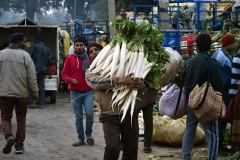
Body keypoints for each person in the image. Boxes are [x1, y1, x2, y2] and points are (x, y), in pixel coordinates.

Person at [86, 66, 157, 160]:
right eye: (91, 51)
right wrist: (119, 80)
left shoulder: (127, 64)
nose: (94, 52)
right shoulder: (91, 71)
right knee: (112, 147)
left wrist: (143, 86)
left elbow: (149, 84)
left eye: (96, 50)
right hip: (109, 115)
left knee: (131, 149)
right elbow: (95, 82)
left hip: (129, 113)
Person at [182, 34, 224, 160]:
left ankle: (185, 156)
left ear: (196, 46)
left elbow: (184, 81)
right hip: (206, 102)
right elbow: (219, 83)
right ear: (209, 46)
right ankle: (212, 158)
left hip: (191, 101)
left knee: (190, 128)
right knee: (212, 133)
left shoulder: (188, 62)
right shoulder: (212, 62)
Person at [0, 33, 38, 154]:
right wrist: (35, 93)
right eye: (24, 41)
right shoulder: (25, 56)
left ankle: (9, 136)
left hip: (5, 93)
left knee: (6, 117)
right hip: (22, 95)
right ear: (19, 41)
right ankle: (19, 146)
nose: (25, 44)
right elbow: (32, 77)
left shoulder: (1, 54)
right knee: (21, 119)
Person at [61, 36, 95, 146]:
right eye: (77, 45)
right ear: (74, 46)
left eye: (81, 45)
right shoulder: (70, 59)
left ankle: (88, 135)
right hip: (75, 93)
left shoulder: (90, 59)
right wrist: (71, 80)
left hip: (88, 92)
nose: (79, 47)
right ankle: (81, 139)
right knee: (78, 117)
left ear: (84, 46)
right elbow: (64, 74)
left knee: (90, 114)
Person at [212, 34, 236, 155]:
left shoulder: (227, 56)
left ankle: (220, 144)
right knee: (221, 119)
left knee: (224, 118)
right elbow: (220, 76)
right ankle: (217, 147)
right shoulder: (220, 57)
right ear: (226, 45)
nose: (235, 45)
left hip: (226, 92)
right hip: (221, 92)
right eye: (232, 43)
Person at [29, 34, 53, 108]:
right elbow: (49, 61)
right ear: (44, 41)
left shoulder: (34, 46)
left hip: (34, 69)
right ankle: (42, 103)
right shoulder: (47, 49)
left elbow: (29, 57)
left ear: (37, 40)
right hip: (43, 70)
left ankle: (33, 102)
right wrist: (53, 62)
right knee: (42, 86)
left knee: (33, 86)